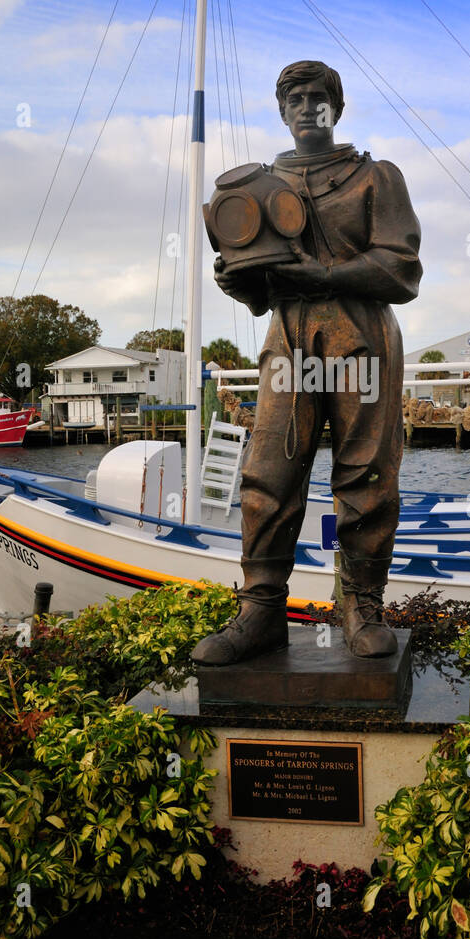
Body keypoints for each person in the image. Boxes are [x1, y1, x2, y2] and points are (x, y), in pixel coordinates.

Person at [191, 59, 422, 665]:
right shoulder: (258, 188)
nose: (305, 106)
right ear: (282, 111)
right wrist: (236, 278)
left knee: (366, 473)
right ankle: (261, 608)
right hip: (289, 336)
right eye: (292, 98)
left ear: (335, 106)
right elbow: (260, 289)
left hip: (361, 334)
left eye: (316, 97)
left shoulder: (375, 176)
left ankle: (361, 604)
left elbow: (401, 269)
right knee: (269, 468)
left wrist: (321, 272)